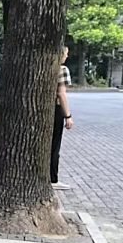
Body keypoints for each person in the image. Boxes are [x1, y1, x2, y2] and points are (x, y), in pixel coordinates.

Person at [51, 47, 74, 190]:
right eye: (66, 53)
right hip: (56, 110)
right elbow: (61, 94)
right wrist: (68, 116)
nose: (67, 56)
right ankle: (53, 178)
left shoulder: (46, 68)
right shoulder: (62, 69)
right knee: (54, 145)